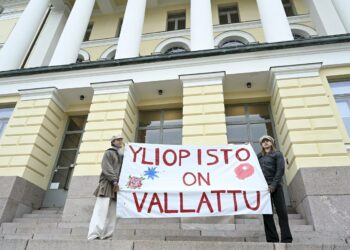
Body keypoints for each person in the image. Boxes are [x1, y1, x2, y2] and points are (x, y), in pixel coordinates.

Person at [87, 135, 124, 240]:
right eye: (118, 140)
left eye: (121, 140)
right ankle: (94, 234)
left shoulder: (122, 155)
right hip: (108, 184)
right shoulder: (109, 152)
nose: (120, 141)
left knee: (113, 213)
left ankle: (107, 235)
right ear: (113, 142)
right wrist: (114, 180)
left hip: (117, 186)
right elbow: (106, 168)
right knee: (101, 210)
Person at [257, 135, 293, 243]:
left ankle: (286, 239)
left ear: (271, 142)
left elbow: (280, 170)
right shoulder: (259, 156)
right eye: (263, 141)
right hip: (264, 189)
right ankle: (272, 239)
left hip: (276, 186)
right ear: (261, 145)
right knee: (267, 215)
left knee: (282, 212)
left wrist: (273, 185)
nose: (265, 142)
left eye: (267, 140)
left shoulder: (277, 154)